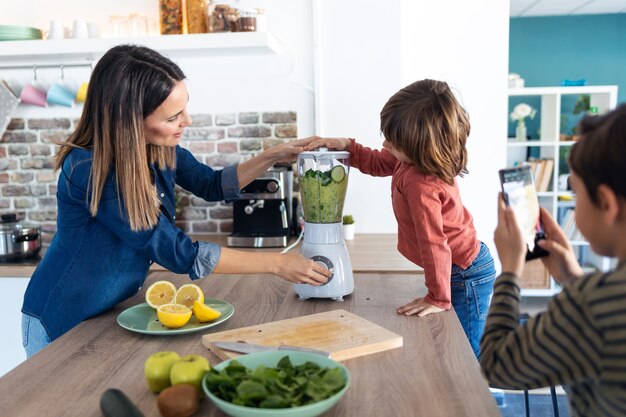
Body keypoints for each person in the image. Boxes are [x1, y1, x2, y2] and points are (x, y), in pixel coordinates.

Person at [21, 45, 331, 357]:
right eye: (173, 117)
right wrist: (276, 263)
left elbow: (211, 184)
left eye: (184, 109)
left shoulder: (156, 147)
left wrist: (273, 155)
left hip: (106, 312)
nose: (188, 121)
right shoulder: (90, 168)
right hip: (61, 319)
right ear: (129, 120)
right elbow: (177, 251)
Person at [307, 79, 495, 358]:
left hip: (464, 273)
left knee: (465, 350)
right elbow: (379, 161)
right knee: (452, 344)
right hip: (455, 267)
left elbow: (435, 244)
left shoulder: (423, 186)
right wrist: (346, 145)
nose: (385, 144)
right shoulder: (410, 160)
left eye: (393, 142)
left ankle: (478, 399)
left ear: (420, 147)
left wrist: (438, 297)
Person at [482, 104, 626, 416]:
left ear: (607, 203)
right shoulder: (594, 298)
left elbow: (496, 365)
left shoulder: (591, 305)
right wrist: (574, 278)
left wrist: (510, 271)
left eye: (575, 193)